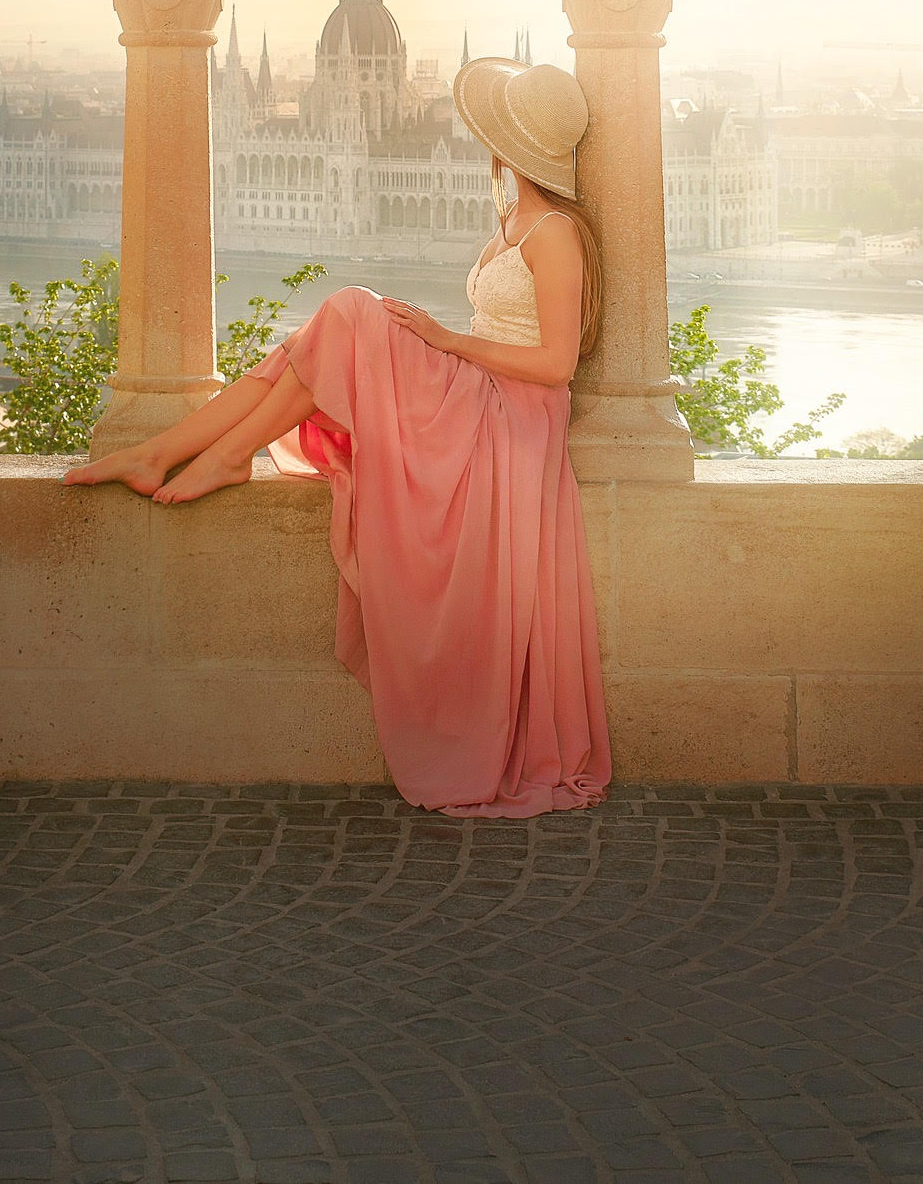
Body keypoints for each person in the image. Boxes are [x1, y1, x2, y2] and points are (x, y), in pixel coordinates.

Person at [64, 55, 611, 818]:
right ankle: (194, 451)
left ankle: (198, 452)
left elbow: (554, 365)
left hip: (510, 414)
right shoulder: (513, 214)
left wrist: (445, 343)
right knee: (335, 333)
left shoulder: (553, 232)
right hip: (483, 394)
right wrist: (439, 340)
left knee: (348, 314)